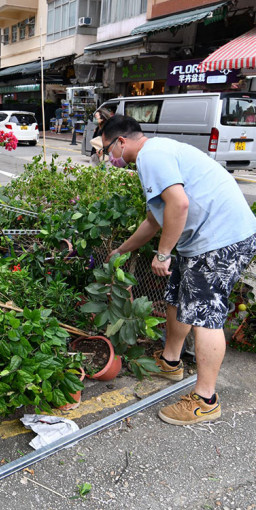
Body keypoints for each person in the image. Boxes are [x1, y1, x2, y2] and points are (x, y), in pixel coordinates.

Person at [101, 115, 256, 426]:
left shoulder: (151, 156)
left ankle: (206, 400)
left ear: (121, 141)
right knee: (176, 297)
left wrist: (163, 253)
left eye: (107, 150)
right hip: (202, 240)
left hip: (220, 241)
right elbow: (153, 220)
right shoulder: (156, 154)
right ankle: (171, 361)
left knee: (205, 314)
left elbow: (179, 205)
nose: (108, 157)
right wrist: (120, 251)